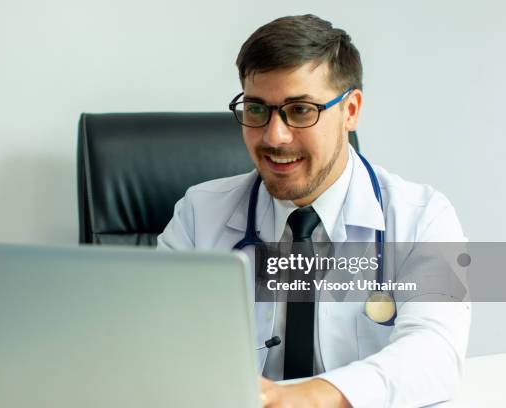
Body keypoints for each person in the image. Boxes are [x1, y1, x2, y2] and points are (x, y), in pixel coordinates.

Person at [157, 14, 470, 407]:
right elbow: (157, 343)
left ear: (351, 110)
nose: (275, 136)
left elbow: (436, 352)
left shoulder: (420, 217)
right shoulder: (198, 216)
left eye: (301, 110)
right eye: (257, 110)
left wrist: (316, 396)